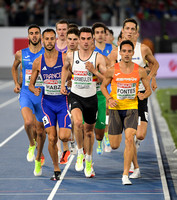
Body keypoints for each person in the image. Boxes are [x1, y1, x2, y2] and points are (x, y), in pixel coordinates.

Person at [108, 18, 159, 177]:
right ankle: (133, 164)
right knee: (124, 139)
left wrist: (151, 78)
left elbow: (154, 64)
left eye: (132, 29)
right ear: (122, 31)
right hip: (122, 100)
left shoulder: (143, 49)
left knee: (140, 135)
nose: (129, 31)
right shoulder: (116, 52)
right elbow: (108, 72)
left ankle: (132, 152)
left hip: (140, 96)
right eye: (127, 29)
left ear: (137, 33)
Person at [101, 40, 152, 185]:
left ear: (132, 53)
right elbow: (103, 87)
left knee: (130, 138)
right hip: (116, 109)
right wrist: (109, 98)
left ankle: (125, 175)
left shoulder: (140, 70)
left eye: (130, 51)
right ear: (120, 53)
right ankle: (134, 165)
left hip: (131, 109)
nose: (127, 54)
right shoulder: (112, 70)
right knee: (115, 145)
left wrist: (144, 95)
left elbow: (147, 89)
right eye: (124, 51)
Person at [60, 27, 107, 178]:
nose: (86, 42)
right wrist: (62, 84)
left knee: (89, 131)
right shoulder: (71, 56)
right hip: (75, 96)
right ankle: (80, 153)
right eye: (83, 38)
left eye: (88, 39)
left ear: (92, 39)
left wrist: (94, 71)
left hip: (91, 98)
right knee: (78, 123)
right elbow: (64, 69)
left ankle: (89, 160)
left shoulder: (98, 57)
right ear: (79, 40)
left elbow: (105, 79)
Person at [29, 28, 71, 181]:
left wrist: (69, 83)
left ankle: (69, 143)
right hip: (47, 104)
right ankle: (56, 168)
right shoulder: (38, 62)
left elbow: (73, 76)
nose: (49, 41)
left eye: (52, 39)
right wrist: (35, 89)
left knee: (64, 136)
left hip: (63, 103)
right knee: (52, 138)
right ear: (42, 40)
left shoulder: (65, 58)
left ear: (56, 41)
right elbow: (31, 84)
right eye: (46, 39)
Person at [11, 24, 46, 176]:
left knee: (40, 131)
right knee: (28, 123)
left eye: (36, 33)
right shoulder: (21, 53)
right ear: (28, 36)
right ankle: (32, 144)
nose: (34, 36)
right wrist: (16, 84)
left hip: (42, 94)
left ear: (40, 36)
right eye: (31, 33)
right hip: (26, 93)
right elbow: (14, 68)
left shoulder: (47, 53)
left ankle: (38, 159)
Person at [92, 22, 112, 155]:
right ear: (93, 35)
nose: (100, 35)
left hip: (109, 86)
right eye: (97, 32)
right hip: (93, 87)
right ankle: (99, 140)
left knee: (107, 113)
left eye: (102, 32)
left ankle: (106, 136)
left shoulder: (113, 49)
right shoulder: (89, 50)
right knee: (96, 116)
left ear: (106, 34)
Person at [55, 19, 70, 164]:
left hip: (71, 86)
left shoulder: (72, 46)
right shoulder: (51, 47)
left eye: (64, 29)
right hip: (55, 88)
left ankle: (77, 147)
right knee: (60, 121)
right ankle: (63, 150)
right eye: (59, 29)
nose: (62, 32)